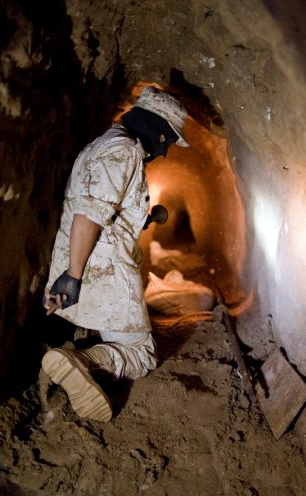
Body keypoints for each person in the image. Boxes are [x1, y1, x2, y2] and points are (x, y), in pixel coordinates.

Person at [42, 86, 189, 421]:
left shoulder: (103, 145)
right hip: (101, 270)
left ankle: (78, 358)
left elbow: (102, 209)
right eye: (168, 140)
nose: (164, 151)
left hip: (83, 258)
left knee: (120, 336)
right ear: (158, 129)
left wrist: (141, 219)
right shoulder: (124, 152)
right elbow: (89, 215)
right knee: (142, 355)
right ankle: (83, 361)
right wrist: (74, 276)